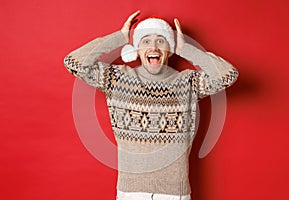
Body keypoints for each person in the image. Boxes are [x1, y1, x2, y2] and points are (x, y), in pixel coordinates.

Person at [64, 10, 238, 200]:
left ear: (169, 50)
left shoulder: (188, 82)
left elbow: (227, 75)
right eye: (146, 41)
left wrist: (186, 50)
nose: (153, 47)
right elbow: (74, 62)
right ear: (136, 50)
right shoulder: (117, 79)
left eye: (161, 41)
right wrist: (118, 38)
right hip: (131, 192)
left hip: (174, 193)